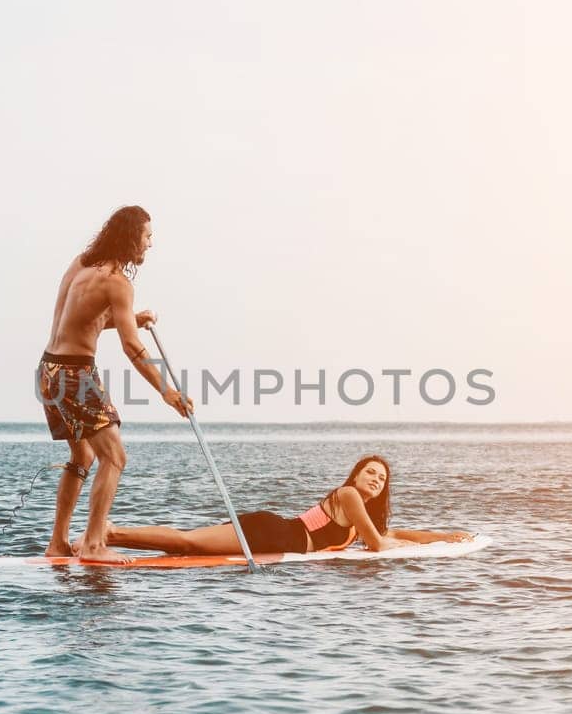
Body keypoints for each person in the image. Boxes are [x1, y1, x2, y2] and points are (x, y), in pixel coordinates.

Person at [38, 205, 192, 563]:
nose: (150, 244)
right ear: (129, 238)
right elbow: (132, 348)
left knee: (83, 455)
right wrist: (167, 392)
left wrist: (132, 318)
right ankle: (93, 545)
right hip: (75, 375)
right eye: (147, 236)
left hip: (48, 370)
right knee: (115, 456)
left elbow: (80, 321)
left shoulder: (82, 264)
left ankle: (58, 543)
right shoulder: (118, 282)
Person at [104, 455, 472, 556]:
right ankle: (110, 533)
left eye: (382, 478)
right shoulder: (348, 496)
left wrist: (445, 537)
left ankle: (109, 538)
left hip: (274, 538)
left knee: (184, 549)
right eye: (370, 473)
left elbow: (389, 533)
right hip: (271, 532)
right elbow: (379, 543)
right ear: (356, 476)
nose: (376, 479)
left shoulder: (360, 515)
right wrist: (398, 546)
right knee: (187, 543)